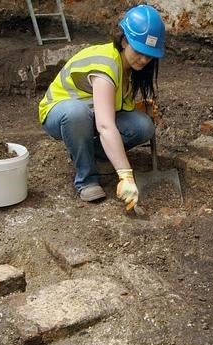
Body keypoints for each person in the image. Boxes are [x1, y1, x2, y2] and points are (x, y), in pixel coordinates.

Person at [38, 4, 165, 210]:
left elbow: (115, 106)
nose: (144, 59)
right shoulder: (107, 66)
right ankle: (86, 179)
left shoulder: (129, 69)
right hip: (59, 113)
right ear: (124, 41)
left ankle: (93, 154)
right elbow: (105, 126)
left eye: (149, 55)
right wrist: (125, 174)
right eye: (139, 51)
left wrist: (140, 109)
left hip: (90, 115)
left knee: (143, 126)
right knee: (76, 113)